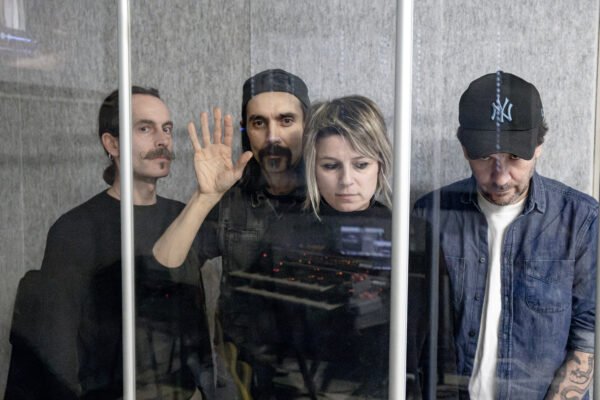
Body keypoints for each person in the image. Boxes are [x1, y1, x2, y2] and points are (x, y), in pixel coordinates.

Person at [5, 87, 217, 399]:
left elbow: (195, 327)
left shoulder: (182, 216)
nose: (162, 140)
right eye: (145, 128)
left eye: (167, 128)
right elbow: (57, 352)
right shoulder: (75, 229)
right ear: (112, 144)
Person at [412, 71, 597, 399]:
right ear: (464, 149)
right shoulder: (430, 214)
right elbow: (416, 334)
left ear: (538, 146)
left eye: (514, 158)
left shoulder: (581, 220)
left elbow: (587, 338)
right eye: (485, 157)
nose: (500, 177)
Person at [153, 69, 309, 397]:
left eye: (286, 120)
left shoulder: (330, 197)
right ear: (245, 130)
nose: (272, 137)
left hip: (310, 376)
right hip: (241, 376)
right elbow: (165, 266)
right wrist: (205, 196)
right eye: (259, 123)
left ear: (306, 126)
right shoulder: (233, 201)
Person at [237, 95, 395, 399]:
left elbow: (435, 345)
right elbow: (255, 333)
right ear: (312, 166)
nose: (347, 180)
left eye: (361, 164)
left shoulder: (407, 234)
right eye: (331, 166)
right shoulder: (285, 233)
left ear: (380, 164)